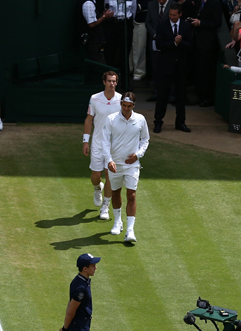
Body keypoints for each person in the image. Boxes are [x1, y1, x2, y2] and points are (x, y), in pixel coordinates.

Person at [101, 93, 150, 243]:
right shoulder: (111, 119)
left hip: (132, 165)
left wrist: (138, 154)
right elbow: (105, 141)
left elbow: (145, 139)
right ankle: (117, 222)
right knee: (115, 193)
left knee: (132, 195)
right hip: (115, 164)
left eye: (129, 106)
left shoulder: (140, 119)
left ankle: (130, 230)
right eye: (124, 105)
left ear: (133, 106)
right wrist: (109, 160)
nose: (126, 109)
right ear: (121, 104)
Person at [83, 71, 121, 223]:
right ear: (104, 82)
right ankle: (97, 187)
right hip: (98, 143)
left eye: (114, 81)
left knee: (110, 174)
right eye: (109, 81)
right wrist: (85, 141)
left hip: (114, 146)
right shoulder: (94, 98)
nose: (112, 83)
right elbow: (89, 120)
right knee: (96, 176)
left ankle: (105, 206)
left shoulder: (120, 100)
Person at [153, 3, 193, 134]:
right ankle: (158, 122)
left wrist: (181, 43)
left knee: (180, 96)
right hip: (165, 66)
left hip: (181, 66)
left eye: (174, 15)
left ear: (180, 14)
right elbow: (159, 44)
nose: (172, 17)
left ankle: (180, 123)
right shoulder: (162, 25)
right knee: (162, 95)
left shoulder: (186, 26)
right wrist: (174, 43)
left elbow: (191, 45)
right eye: (170, 15)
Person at [190, 0, 223, 105]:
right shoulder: (199, 2)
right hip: (197, 41)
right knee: (199, 70)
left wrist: (200, 23)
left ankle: (208, 98)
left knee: (207, 71)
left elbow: (217, 22)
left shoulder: (215, 3)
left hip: (208, 43)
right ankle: (199, 96)